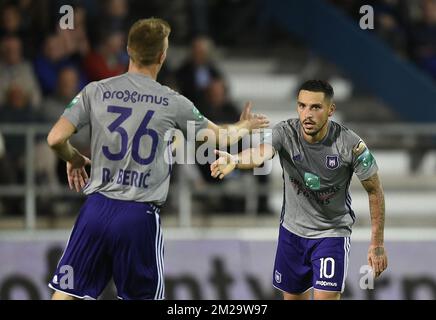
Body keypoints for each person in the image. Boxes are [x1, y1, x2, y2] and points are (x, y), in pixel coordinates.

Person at [46, 17, 268, 300]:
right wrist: (244, 127)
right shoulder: (173, 102)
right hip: (138, 216)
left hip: (96, 209)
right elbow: (221, 138)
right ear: (162, 56)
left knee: (66, 293)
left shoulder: (95, 90)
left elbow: (55, 139)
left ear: (128, 49)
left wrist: (74, 158)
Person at [210, 80, 387, 300]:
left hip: (330, 233)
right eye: (302, 106)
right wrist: (235, 160)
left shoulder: (350, 144)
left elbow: (375, 190)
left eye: (315, 107)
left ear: (331, 110)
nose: (307, 114)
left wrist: (377, 243)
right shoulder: (285, 132)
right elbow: (261, 153)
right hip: (292, 234)